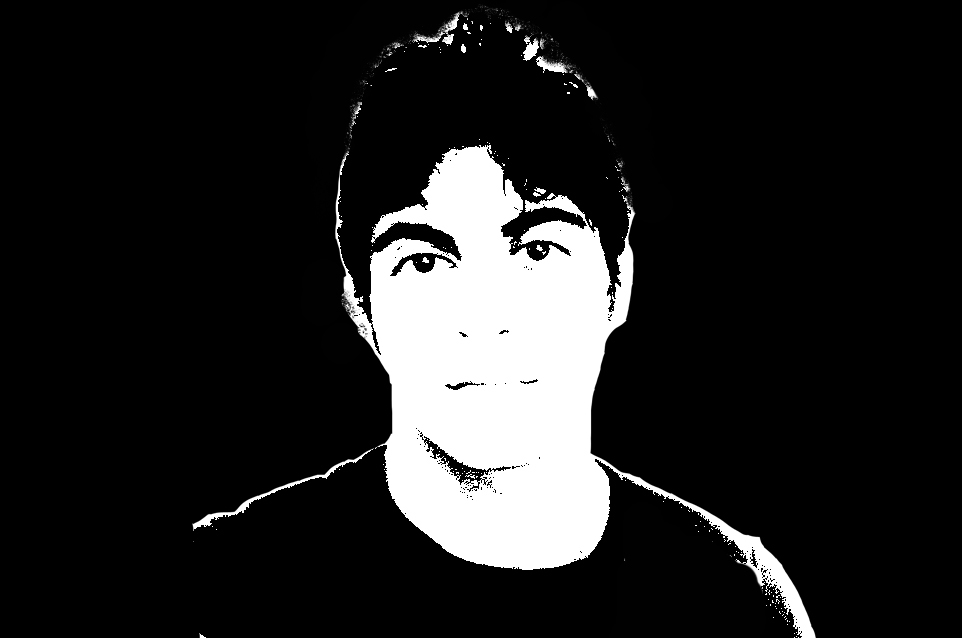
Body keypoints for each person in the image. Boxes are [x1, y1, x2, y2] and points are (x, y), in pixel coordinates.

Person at [193, 8, 814, 636]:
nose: (485, 317)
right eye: (425, 261)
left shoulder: (737, 602)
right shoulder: (218, 590)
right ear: (361, 304)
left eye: (538, 251)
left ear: (618, 285)